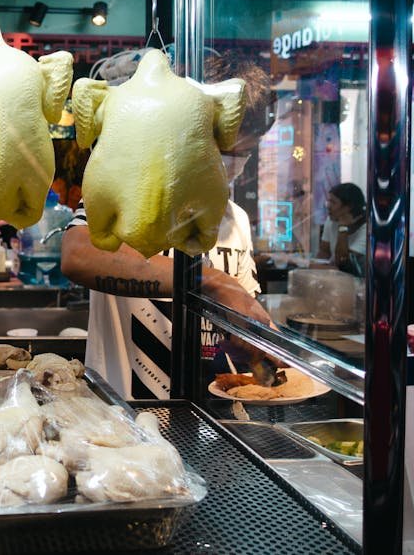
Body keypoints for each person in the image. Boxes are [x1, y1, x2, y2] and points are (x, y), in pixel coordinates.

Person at [60, 54, 277, 400]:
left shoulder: (235, 219)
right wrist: (211, 281)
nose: (230, 161)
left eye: (243, 152)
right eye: (221, 147)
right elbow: (78, 256)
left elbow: (240, 311)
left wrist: (257, 346)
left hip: (212, 421)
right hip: (128, 423)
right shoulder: (128, 192)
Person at [315, 182, 366, 277]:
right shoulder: (331, 220)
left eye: (333, 202)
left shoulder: (367, 229)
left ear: (348, 207)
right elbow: (324, 252)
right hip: (336, 276)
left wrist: (343, 227)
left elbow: (342, 261)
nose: (328, 206)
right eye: (328, 201)